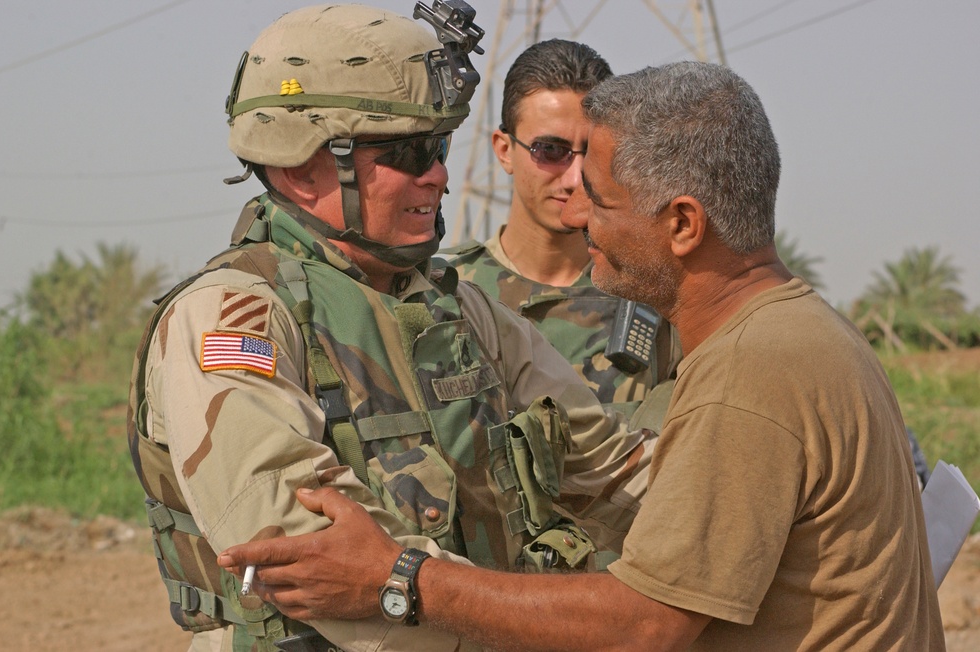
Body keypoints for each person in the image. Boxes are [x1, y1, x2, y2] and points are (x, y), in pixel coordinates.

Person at [218, 61, 946, 650]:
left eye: (599, 197)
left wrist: (399, 576)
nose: (579, 213)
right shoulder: (803, 330)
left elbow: (642, 625)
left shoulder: (748, 370)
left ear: (683, 224)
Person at [127, 4, 653, 651]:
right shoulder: (232, 317)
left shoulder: (456, 309)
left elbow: (613, 470)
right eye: (408, 151)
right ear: (299, 165)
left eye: (439, 146)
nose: (437, 174)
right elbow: (309, 556)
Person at [440, 39, 679, 424]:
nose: (574, 178)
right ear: (504, 150)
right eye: (550, 150)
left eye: (594, 153)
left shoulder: (656, 295)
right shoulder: (442, 291)